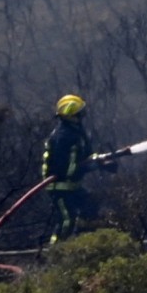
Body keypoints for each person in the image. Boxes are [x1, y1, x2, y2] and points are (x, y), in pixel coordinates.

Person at [43, 94, 104, 244]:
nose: (83, 116)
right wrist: (92, 166)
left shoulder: (77, 132)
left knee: (91, 208)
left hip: (73, 186)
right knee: (67, 220)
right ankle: (55, 252)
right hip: (60, 187)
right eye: (80, 113)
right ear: (72, 116)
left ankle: (83, 243)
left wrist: (101, 160)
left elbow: (87, 154)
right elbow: (68, 169)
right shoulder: (63, 137)